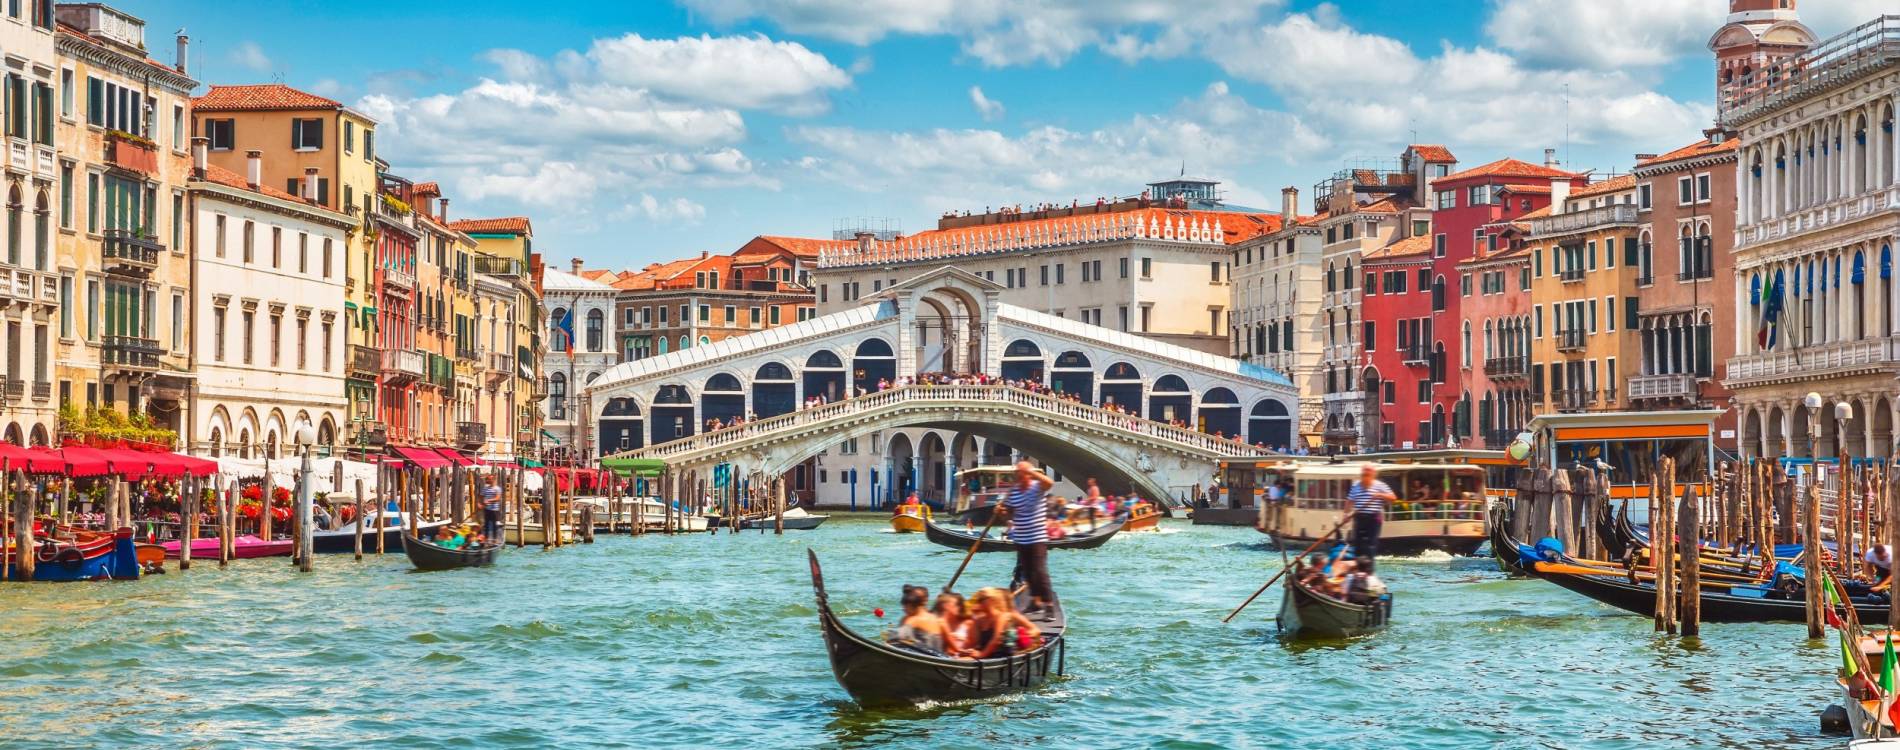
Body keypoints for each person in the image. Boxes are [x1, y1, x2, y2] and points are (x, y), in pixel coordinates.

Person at [1001, 460, 1056, 613]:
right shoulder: (1014, 491)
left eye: (1020, 473)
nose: (1018, 476)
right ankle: (1035, 601)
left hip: (1037, 537)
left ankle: (1049, 605)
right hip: (1021, 538)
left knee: (1039, 571)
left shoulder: (1037, 487)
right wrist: (1002, 513)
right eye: (1017, 474)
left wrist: (1030, 471)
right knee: (1028, 572)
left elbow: (1049, 482)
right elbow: (1008, 515)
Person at [1342, 463, 1396, 570]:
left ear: (1372, 475)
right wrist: (1346, 514)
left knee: (1370, 546)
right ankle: (1357, 569)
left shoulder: (1380, 485)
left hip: (1374, 519)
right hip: (1359, 517)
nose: (1365, 475)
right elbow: (1350, 501)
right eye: (1364, 473)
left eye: (1367, 473)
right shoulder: (1356, 485)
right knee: (1357, 544)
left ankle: (1369, 571)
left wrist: (1380, 495)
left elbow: (1393, 498)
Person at [967, 587, 1041, 658]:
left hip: (1002, 655)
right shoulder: (979, 619)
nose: (977, 604)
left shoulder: (1008, 615)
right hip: (986, 653)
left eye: (980, 600)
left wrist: (1024, 636)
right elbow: (973, 641)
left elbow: (1035, 630)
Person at [883, 584, 951, 656]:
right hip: (940, 655)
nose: (903, 609)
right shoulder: (934, 617)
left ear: (910, 605)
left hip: (929, 656)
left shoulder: (914, 620)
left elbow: (894, 637)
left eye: (905, 606)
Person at [934, 591, 973, 657]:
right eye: (956, 605)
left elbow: (974, 642)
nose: (958, 608)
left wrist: (961, 638)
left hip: (961, 655)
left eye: (958, 605)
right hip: (948, 655)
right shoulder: (941, 622)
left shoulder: (968, 623)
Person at [480, 475, 504, 541]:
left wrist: (489, 500)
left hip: (495, 510)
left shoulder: (497, 488)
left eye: (489, 479)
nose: (487, 480)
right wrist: (480, 503)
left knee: (494, 524)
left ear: (493, 480)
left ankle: (495, 539)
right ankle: (486, 538)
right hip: (487, 509)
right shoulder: (485, 488)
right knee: (486, 524)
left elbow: (497, 498)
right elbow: (481, 496)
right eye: (487, 479)